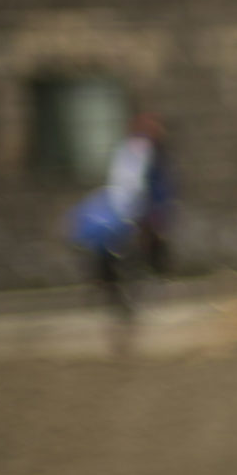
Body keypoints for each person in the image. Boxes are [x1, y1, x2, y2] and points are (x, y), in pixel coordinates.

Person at [66, 111, 175, 350]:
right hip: (132, 216)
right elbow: (131, 188)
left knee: (139, 259)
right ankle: (121, 300)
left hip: (137, 216)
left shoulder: (145, 153)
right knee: (124, 259)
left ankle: (128, 299)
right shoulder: (137, 152)